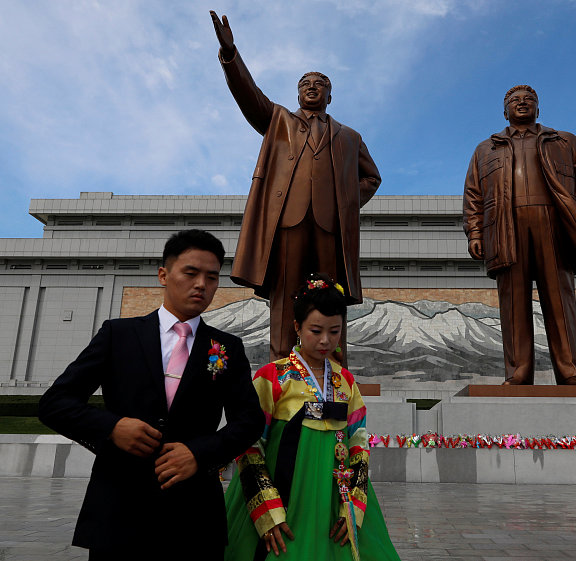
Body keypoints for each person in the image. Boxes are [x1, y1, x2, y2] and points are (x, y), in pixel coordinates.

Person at [38, 230, 265, 560]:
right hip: (120, 510)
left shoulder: (227, 347)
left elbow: (249, 421)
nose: (201, 284)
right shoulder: (118, 335)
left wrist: (198, 453)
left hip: (194, 514)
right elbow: (54, 404)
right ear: (164, 274)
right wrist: (113, 428)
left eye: (212, 277)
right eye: (191, 272)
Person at [210, 11, 381, 364]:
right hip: (287, 220)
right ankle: (281, 363)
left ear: (330, 96)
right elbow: (248, 94)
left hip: (329, 225)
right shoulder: (278, 121)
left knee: (330, 296)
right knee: (286, 294)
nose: (312, 87)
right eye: (306, 83)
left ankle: (334, 365)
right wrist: (231, 55)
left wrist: (345, 203)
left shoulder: (349, 137)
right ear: (298, 92)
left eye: (320, 84)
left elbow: (372, 178)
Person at [224, 273, 400, 561]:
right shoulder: (272, 378)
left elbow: (358, 443)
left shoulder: (346, 382)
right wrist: (267, 510)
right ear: (297, 327)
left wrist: (352, 507)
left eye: (334, 331)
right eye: (315, 330)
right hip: (286, 496)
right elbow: (250, 445)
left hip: (334, 501)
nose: (325, 340)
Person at [463, 85, 576, 386]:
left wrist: (575, 206)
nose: (522, 103)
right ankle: (518, 373)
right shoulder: (485, 149)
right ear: (505, 111)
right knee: (513, 303)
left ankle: (571, 373)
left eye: (529, 100)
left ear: (538, 109)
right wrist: (475, 232)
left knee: (559, 300)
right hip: (505, 227)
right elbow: (473, 195)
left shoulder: (563, 140)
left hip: (553, 225)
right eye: (515, 101)